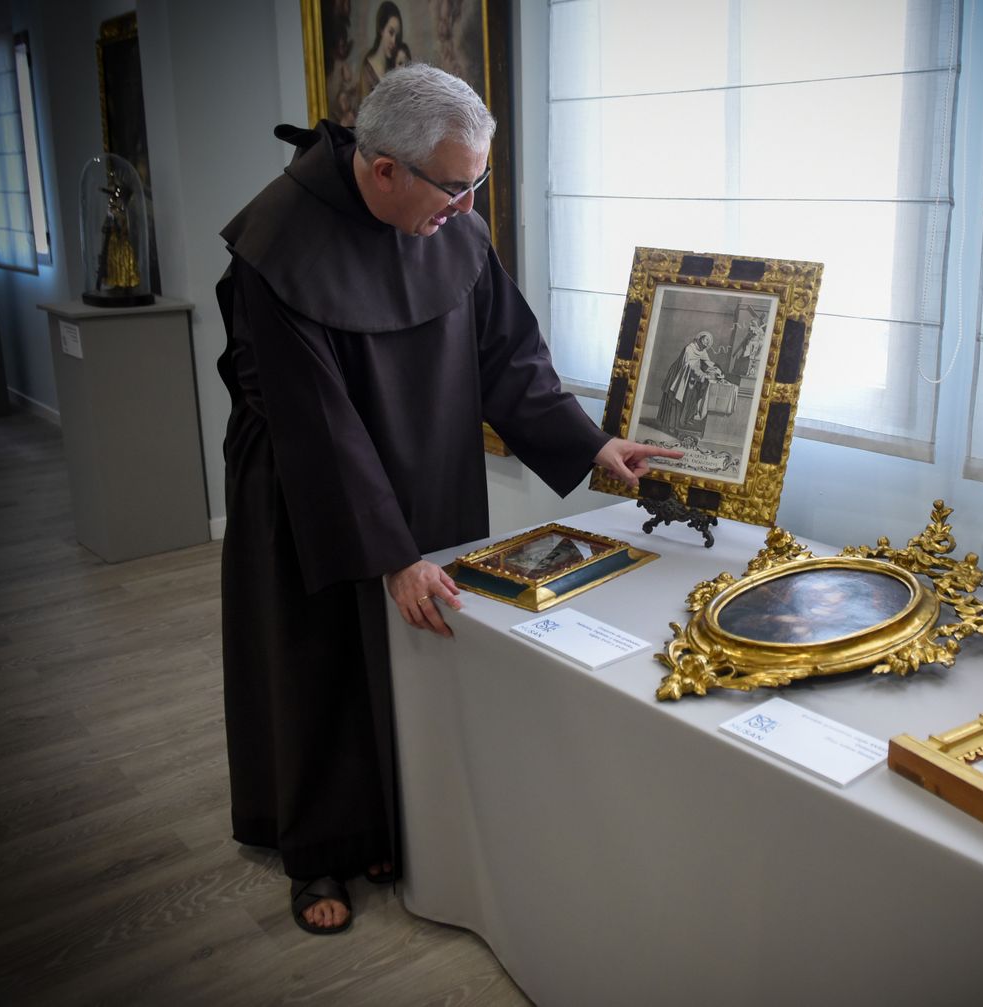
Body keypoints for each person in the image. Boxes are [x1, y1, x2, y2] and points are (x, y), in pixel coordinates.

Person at [215, 64, 678, 936]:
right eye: (455, 185)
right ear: (383, 168)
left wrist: (591, 443)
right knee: (321, 664)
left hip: (428, 468)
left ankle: (399, 821)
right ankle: (321, 849)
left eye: (479, 183)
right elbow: (315, 423)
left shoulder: (452, 223)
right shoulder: (276, 244)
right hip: (311, 490)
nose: (468, 207)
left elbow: (509, 353)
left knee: (422, 656)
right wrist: (389, 551)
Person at [656, 331, 720, 438]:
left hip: (691, 376)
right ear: (700, 338)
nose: (706, 342)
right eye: (705, 339)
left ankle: (684, 420)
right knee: (676, 399)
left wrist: (716, 370)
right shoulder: (689, 348)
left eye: (708, 341)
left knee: (691, 397)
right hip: (679, 375)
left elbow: (708, 362)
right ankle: (671, 425)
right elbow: (687, 365)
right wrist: (701, 374)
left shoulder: (702, 351)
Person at [356, 2, 409, 106]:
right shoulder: (367, 70)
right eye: (391, 32)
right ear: (381, 30)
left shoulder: (396, 63)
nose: (393, 41)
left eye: (396, 36)